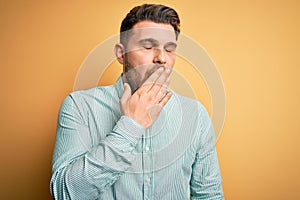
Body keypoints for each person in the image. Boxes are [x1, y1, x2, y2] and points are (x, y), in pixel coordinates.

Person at [50, 4, 224, 200]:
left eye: (169, 49)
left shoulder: (196, 115)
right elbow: (65, 193)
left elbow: (209, 195)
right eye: (148, 47)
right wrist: (130, 127)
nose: (161, 58)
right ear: (120, 54)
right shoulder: (79, 106)